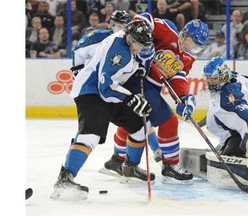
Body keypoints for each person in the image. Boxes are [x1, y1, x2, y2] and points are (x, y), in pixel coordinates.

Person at [51, 20, 154, 200]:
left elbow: (121, 73)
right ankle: (65, 178)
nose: (139, 48)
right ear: (129, 37)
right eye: (137, 44)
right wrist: (131, 98)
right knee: (91, 135)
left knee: (141, 126)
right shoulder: (118, 50)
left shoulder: (131, 44)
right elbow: (105, 88)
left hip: (111, 92)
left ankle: (129, 167)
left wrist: (137, 70)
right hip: (91, 91)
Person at [103, 12, 209, 185]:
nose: (193, 48)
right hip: (136, 80)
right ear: (185, 34)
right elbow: (145, 19)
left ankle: (116, 159)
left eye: (198, 47)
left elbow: (178, 77)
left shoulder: (187, 58)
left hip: (149, 87)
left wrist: (184, 98)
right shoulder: (168, 32)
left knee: (135, 123)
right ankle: (170, 166)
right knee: (169, 122)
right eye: (193, 43)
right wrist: (144, 39)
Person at [201, 57, 248, 190]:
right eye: (208, 78)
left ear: (223, 75)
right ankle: (232, 147)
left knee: (231, 156)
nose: (210, 82)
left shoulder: (228, 99)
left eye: (213, 78)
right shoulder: (235, 77)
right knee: (230, 145)